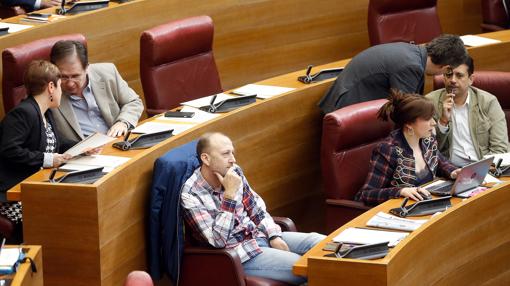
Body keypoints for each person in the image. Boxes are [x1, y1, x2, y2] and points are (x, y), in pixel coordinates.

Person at [181, 133, 325, 285]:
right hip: (240, 255)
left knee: (324, 245)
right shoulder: (190, 194)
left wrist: (274, 236)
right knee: (305, 266)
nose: (233, 160)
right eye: (226, 154)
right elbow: (218, 241)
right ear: (206, 159)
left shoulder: (234, 171)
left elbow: (257, 210)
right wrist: (229, 195)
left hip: (259, 236)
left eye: (232, 153)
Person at [0, 60, 72, 242]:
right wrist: (47, 159)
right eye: (59, 86)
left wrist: (84, 147)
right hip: (13, 196)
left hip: (34, 187)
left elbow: (58, 143)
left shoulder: (45, 113)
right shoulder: (24, 113)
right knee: (60, 215)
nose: (61, 91)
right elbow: (9, 150)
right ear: (50, 87)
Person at [355, 90, 461, 206]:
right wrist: (400, 191)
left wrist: (454, 172)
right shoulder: (388, 150)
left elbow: (440, 162)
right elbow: (365, 194)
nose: (434, 123)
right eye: (427, 119)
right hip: (401, 211)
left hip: (428, 203)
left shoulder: (427, 139)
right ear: (409, 125)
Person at [318, 34, 468, 114]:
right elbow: (406, 111)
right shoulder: (411, 66)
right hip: (345, 109)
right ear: (445, 67)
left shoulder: (413, 53)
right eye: (448, 72)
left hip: (349, 101)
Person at [49, 40, 144, 143]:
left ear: (87, 68)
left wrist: (122, 122)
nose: (70, 83)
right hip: (83, 154)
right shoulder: (49, 93)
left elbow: (134, 102)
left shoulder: (107, 72)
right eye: (63, 77)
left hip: (118, 142)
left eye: (76, 76)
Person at [425, 56, 508, 167]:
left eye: (459, 75)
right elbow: (429, 149)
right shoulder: (430, 102)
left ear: (471, 79)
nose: (453, 80)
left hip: (486, 168)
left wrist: (482, 171)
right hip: (450, 171)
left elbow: (499, 148)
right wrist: (443, 121)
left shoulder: (488, 102)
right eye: (448, 75)